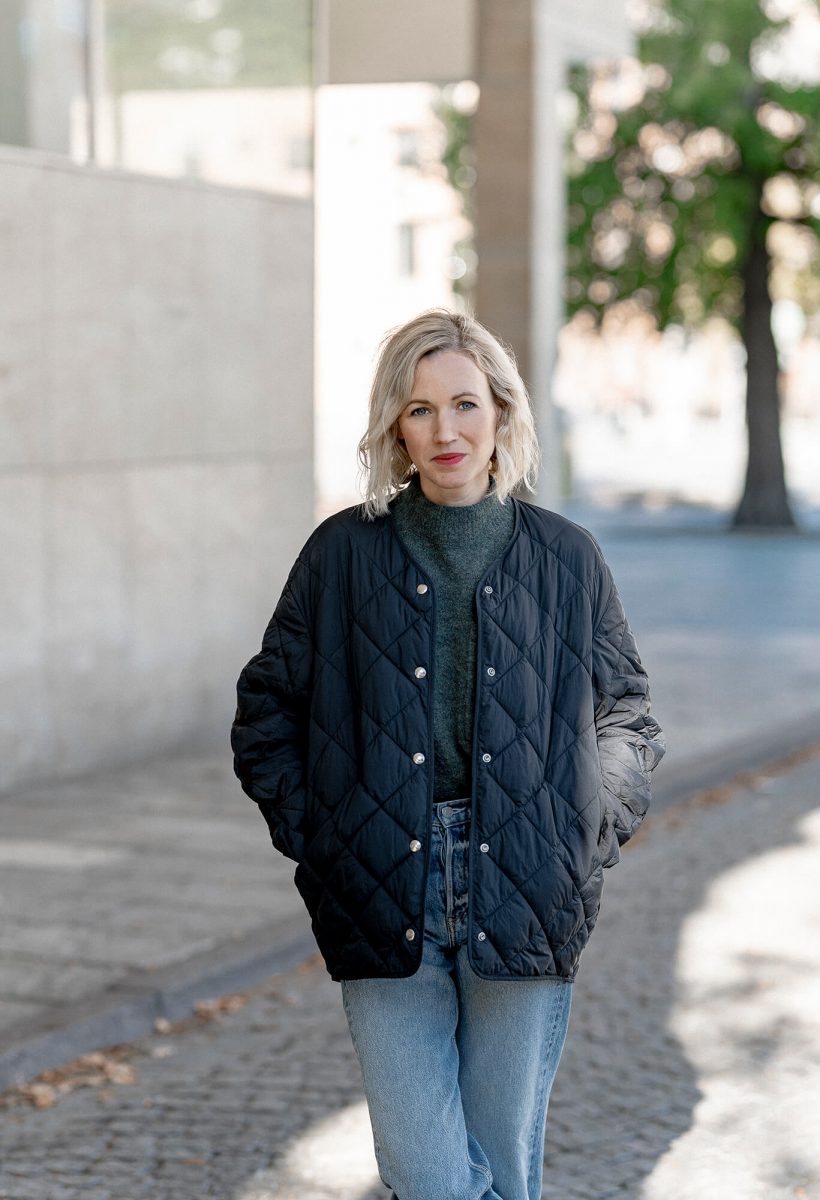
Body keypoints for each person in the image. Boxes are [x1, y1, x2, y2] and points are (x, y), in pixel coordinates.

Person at [231, 307, 666, 1200]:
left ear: (501, 412)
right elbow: (267, 707)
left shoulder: (566, 560)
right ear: (396, 425)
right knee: (428, 1172)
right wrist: (323, 836)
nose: (446, 430)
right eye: (420, 409)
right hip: (384, 884)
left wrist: (584, 831)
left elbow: (626, 714)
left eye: (465, 404)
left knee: (504, 1166)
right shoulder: (342, 555)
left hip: (527, 881)